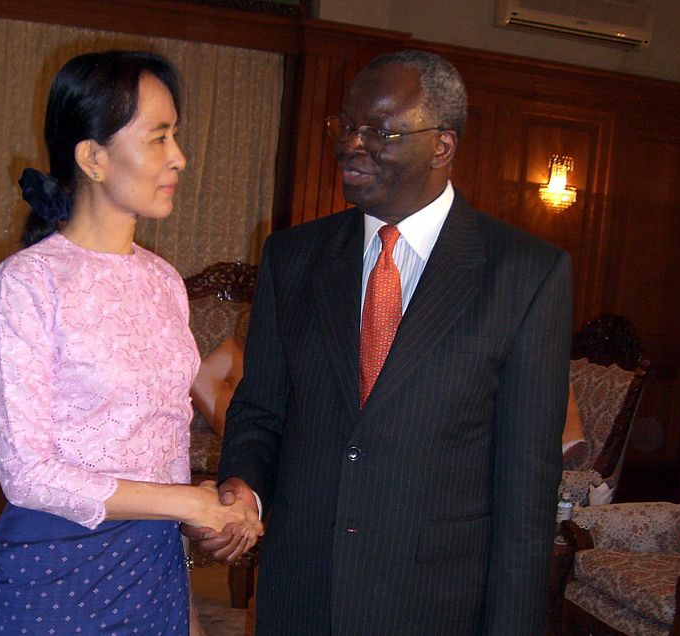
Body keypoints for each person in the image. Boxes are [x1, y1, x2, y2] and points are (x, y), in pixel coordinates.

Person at [187, 49, 572, 634]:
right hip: (302, 588)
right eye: (347, 127)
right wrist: (244, 489)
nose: (352, 146)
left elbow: (526, 490)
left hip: (434, 601)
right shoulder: (292, 258)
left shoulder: (524, 273)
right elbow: (260, 411)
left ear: (442, 145)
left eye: (381, 132)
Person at [0, 50, 262, 635]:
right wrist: (187, 503)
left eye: (176, 136)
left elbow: (162, 447)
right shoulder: (29, 281)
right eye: (159, 138)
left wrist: (208, 515)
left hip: (152, 568)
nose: (179, 157)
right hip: (53, 571)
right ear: (93, 158)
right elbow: (28, 475)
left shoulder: (163, 282)